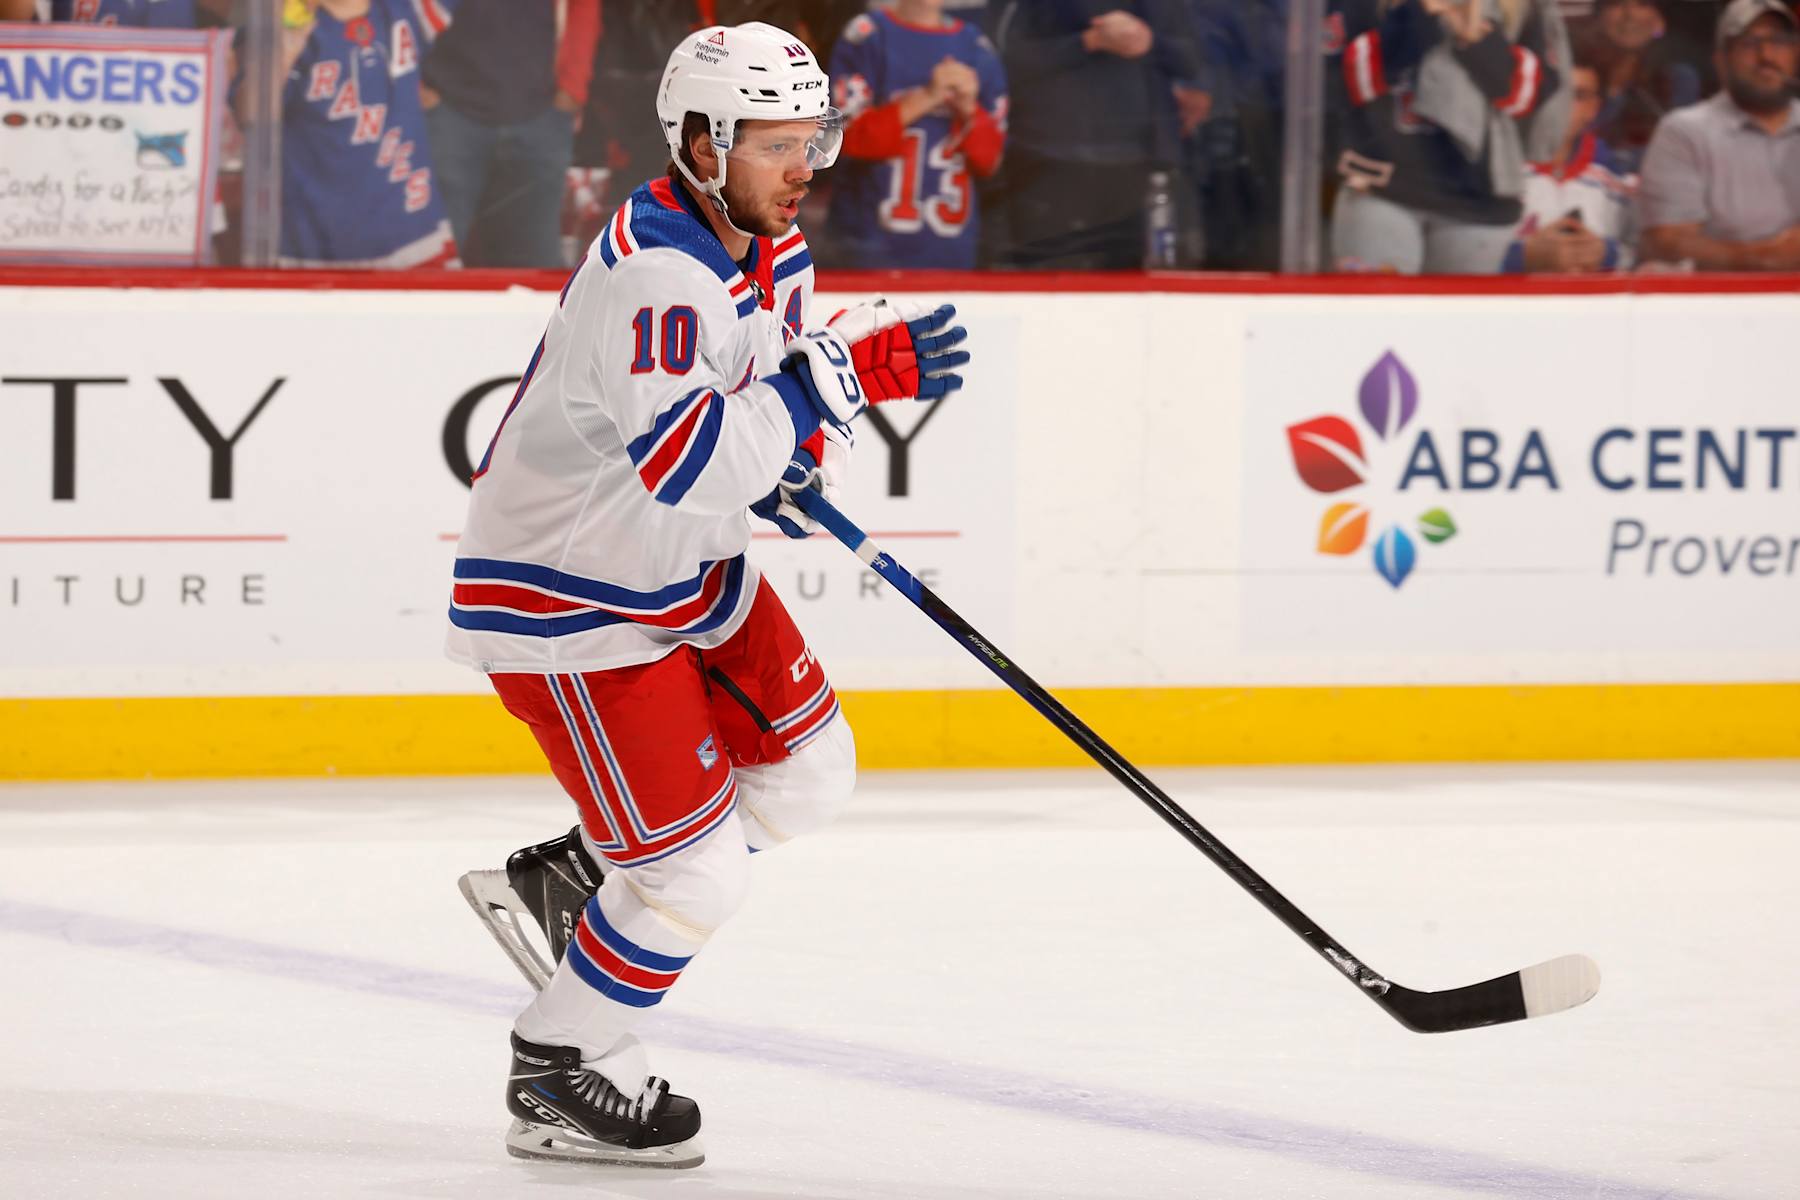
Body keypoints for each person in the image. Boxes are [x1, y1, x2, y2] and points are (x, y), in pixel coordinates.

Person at [446, 20, 972, 1168]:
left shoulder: (772, 245)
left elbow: (755, 412)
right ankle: (560, 1064)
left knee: (811, 770)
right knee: (694, 871)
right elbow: (688, 461)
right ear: (699, 143)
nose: (806, 165)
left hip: (679, 563)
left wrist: (797, 450)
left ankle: (581, 883)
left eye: (814, 138)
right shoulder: (660, 269)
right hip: (573, 595)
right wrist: (837, 384)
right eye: (777, 142)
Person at [1329, 0, 1571, 274]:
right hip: (1382, 188)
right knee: (1376, 315)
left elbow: (1529, 99)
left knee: (1465, 318)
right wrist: (1420, 17)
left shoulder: (1523, 7)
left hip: (1479, 200)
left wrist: (1476, 38)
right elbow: (1347, 82)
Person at [993, 1, 1202, 269]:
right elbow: (1002, 63)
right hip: (1047, 164)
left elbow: (1192, 60)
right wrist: (1088, 42)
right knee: (1044, 285)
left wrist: (1149, 40)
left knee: (1125, 286)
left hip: (1135, 166)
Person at [263, 0, 458, 267]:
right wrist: (283, 52)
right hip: (314, 248)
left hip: (413, 237)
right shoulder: (276, 29)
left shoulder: (405, 9)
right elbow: (250, 117)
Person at [826, 0, 1008, 269]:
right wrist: (928, 96)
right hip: (866, 247)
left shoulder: (976, 46)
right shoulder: (868, 35)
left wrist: (969, 109)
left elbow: (989, 162)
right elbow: (847, 141)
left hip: (951, 252)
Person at [419, 0, 599, 267]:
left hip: (540, 113)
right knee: (430, 262)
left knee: (535, 267)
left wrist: (573, 86)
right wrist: (414, 84)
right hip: (446, 111)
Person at [1638, 0, 1800, 268]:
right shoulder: (1685, 131)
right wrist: (1766, 258)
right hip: (1721, 303)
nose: (1767, 56)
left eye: (1779, 41)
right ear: (1721, 61)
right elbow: (1666, 242)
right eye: (1749, 43)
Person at [1505, 43, 1637, 270]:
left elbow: (1645, 254)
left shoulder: (1616, 179)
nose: (1563, 104)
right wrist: (1522, 257)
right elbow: (1453, 257)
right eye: (1554, 89)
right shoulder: (1493, 167)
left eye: (1578, 95)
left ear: (1593, 108)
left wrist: (1606, 254)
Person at [1585, 0, 1701, 173]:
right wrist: (1614, 91)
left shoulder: (1679, 78)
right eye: (1617, 4)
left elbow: (1682, 150)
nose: (1629, 15)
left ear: (1659, 21)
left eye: (1642, 4)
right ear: (1600, 17)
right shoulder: (1579, 75)